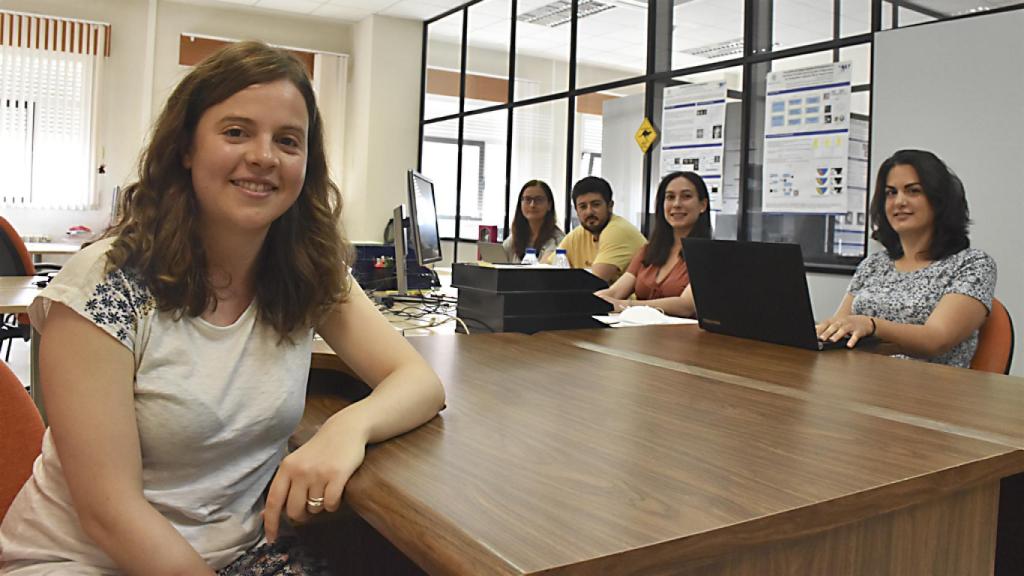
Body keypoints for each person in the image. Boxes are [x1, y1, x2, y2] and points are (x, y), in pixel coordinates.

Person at [0, 42, 445, 574]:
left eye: (288, 140)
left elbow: (419, 382)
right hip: (84, 560)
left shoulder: (307, 271)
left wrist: (345, 431)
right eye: (236, 132)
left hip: (242, 554)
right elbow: (109, 513)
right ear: (186, 147)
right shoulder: (107, 285)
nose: (263, 156)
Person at [816, 149, 996, 368]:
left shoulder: (972, 265)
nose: (899, 201)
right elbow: (841, 326)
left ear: (939, 200)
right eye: (891, 193)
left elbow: (936, 339)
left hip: (930, 393)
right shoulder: (873, 264)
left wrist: (871, 325)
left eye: (913, 191)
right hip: (862, 383)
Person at [595, 172, 710, 317]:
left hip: (684, 336)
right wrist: (591, 301)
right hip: (641, 332)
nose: (676, 204)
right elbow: (616, 292)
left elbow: (686, 305)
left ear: (703, 205)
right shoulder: (648, 250)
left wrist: (626, 305)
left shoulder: (709, 254)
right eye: (670, 197)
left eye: (686, 196)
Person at [556, 176, 645, 284]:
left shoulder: (618, 230)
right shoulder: (579, 234)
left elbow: (594, 283)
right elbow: (550, 265)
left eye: (596, 205)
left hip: (633, 300)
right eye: (583, 207)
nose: (589, 212)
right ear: (576, 210)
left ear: (610, 206)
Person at [502, 180, 565, 263]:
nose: (532, 205)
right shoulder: (515, 237)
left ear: (549, 205)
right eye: (527, 199)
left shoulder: (558, 240)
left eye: (538, 200)